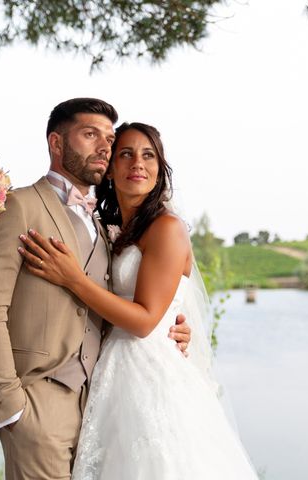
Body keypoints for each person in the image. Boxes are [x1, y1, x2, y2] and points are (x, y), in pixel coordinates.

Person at [0, 98, 192, 479]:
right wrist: (11, 406)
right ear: (56, 143)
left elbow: (131, 303)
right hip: (38, 402)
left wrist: (177, 328)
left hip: (102, 404)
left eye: (108, 138)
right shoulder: (16, 207)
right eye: (90, 135)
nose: (104, 147)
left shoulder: (105, 226)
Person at [18, 122, 260, 479]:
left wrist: (72, 278)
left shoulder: (167, 228)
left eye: (149, 155)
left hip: (150, 375)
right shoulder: (109, 229)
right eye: (126, 154)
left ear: (160, 169)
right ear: (111, 169)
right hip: (109, 372)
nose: (137, 164)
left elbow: (146, 321)